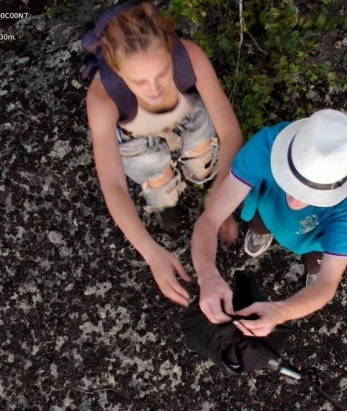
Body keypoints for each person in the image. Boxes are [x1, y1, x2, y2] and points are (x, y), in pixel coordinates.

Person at [81, 1, 243, 306]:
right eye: (139, 82)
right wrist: (151, 252)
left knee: (203, 161)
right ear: (116, 70)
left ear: (171, 50)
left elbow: (229, 131)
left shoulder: (190, 55)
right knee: (155, 173)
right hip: (133, 133)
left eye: (162, 73)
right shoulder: (103, 97)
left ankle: (200, 173)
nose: (154, 89)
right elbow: (113, 184)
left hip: (185, 115)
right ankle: (163, 195)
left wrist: (222, 197)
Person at [191, 109, 347, 337]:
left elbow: (328, 283)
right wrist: (207, 275)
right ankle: (262, 232)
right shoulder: (266, 144)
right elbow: (210, 219)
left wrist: (281, 311)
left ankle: (312, 264)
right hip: (267, 210)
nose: (293, 200)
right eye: (290, 181)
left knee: (317, 261)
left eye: (310, 195)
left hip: (314, 239)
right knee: (259, 221)